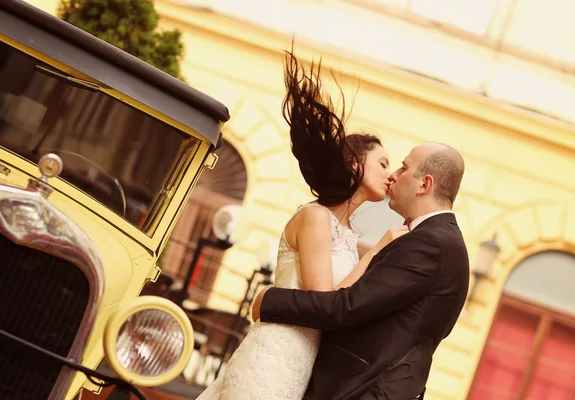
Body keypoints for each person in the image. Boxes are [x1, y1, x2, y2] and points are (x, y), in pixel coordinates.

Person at [195, 49, 408, 400]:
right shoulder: (314, 217)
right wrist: (379, 249)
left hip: (300, 367)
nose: (390, 175)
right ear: (354, 165)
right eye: (383, 163)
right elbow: (325, 300)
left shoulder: (346, 234)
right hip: (272, 359)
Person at [252, 142, 470, 400]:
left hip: (366, 390)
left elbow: (348, 307)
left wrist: (269, 300)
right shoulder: (437, 240)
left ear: (424, 185)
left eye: (403, 168)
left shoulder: (431, 243)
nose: (393, 175)